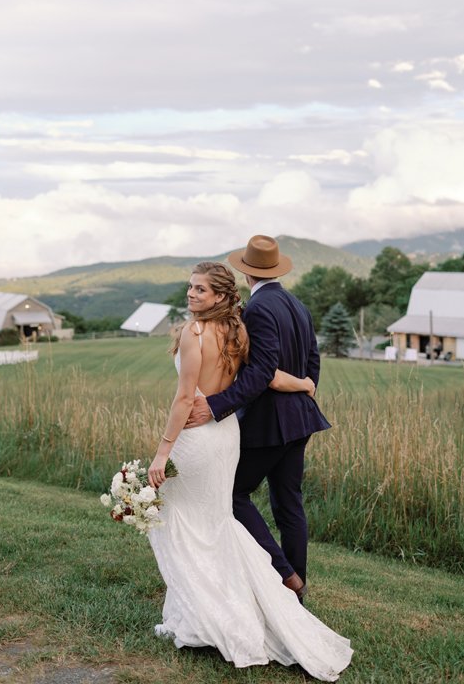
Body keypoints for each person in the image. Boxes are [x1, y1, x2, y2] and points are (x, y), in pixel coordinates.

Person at [147, 260, 353, 680]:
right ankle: (282, 584)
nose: (191, 294)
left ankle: (239, 596)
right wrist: (306, 386)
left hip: (207, 432)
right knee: (254, 510)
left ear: (225, 292)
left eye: (199, 289)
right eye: (189, 287)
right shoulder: (242, 327)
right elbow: (284, 368)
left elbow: (189, 397)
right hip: (236, 433)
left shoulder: (200, 330)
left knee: (193, 519)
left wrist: (162, 450)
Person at [186, 235, 330, 601]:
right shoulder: (297, 305)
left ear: (246, 272)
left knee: (233, 495)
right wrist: (306, 388)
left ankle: (284, 575)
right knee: (289, 505)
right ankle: (297, 589)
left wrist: (217, 404)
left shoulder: (260, 309)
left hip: (270, 425)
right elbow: (313, 359)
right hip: (302, 420)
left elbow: (261, 372)